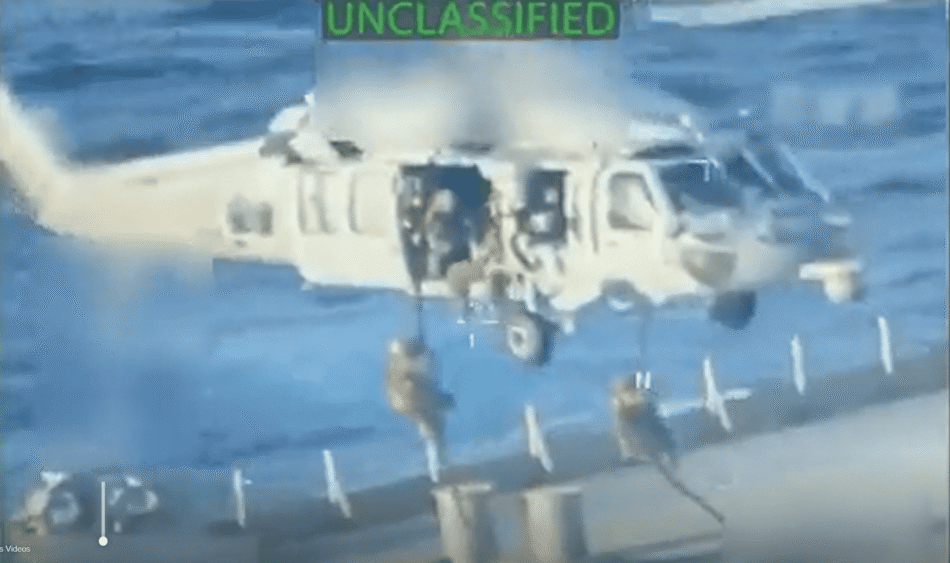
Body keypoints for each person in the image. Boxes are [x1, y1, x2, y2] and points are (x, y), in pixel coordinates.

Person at [384, 338, 455, 482]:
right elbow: (418, 393)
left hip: (416, 403)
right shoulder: (406, 374)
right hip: (416, 404)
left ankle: (439, 468)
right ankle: (438, 471)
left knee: (433, 433)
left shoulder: (402, 371)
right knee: (432, 433)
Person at [610, 373, 678, 471]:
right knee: (659, 430)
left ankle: (669, 453)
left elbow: (650, 406)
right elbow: (621, 427)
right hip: (636, 421)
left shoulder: (627, 396)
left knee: (658, 428)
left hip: (638, 420)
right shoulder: (624, 400)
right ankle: (669, 452)